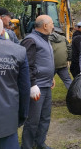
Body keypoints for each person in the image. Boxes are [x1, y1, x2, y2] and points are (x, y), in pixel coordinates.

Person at [0, 16, 30, 149]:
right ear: (2, 31)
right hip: (5, 118)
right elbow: (24, 89)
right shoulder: (18, 50)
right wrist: (22, 115)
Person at [20, 15, 55, 149]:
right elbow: (27, 65)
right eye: (51, 23)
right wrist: (33, 84)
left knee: (45, 117)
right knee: (33, 120)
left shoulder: (45, 39)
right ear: (45, 26)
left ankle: (40, 143)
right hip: (37, 87)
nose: (53, 26)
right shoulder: (31, 40)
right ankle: (27, 146)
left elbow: (43, 62)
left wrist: (50, 76)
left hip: (46, 84)